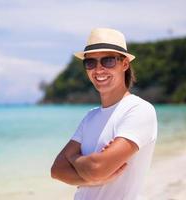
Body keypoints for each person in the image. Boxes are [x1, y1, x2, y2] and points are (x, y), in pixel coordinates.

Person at [51, 28, 158, 200]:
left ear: (124, 64)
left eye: (108, 61)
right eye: (90, 63)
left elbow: (96, 168)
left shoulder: (139, 110)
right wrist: (91, 180)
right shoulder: (90, 117)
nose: (98, 69)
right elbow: (57, 170)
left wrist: (73, 157)